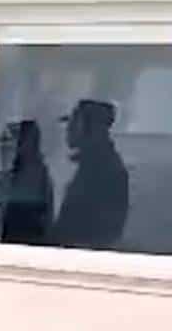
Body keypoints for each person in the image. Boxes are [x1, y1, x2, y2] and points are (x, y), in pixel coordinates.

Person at [50, 99, 129, 250]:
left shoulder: (104, 170)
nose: (68, 130)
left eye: (74, 123)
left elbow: (98, 233)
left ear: (92, 128)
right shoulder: (93, 165)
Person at [0, 120, 54, 245]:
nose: (2, 147)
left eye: (8, 141)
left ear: (22, 145)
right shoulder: (28, 171)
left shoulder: (31, 174)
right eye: (2, 141)